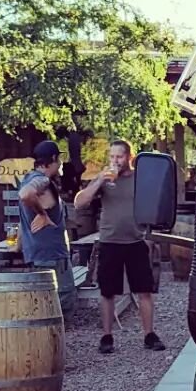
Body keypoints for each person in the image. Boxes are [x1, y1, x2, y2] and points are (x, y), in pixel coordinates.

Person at [72, 138, 164, 354]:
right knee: (107, 292)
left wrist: (150, 232)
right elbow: (79, 202)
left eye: (119, 156)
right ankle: (107, 337)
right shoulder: (103, 179)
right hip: (109, 241)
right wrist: (98, 182)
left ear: (129, 157)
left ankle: (149, 335)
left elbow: (154, 204)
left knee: (144, 290)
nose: (115, 161)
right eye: (112, 157)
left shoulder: (140, 179)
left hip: (136, 241)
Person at [16, 140, 77, 319]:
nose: (60, 164)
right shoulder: (42, 180)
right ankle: (59, 345)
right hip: (52, 256)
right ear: (52, 159)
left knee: (42, 306)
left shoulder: (27, 178)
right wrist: (42, 214)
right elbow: (26, 195)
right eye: (59, 159)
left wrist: (19, 245)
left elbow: (23, 218)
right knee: (61, 304)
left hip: (37, 254)